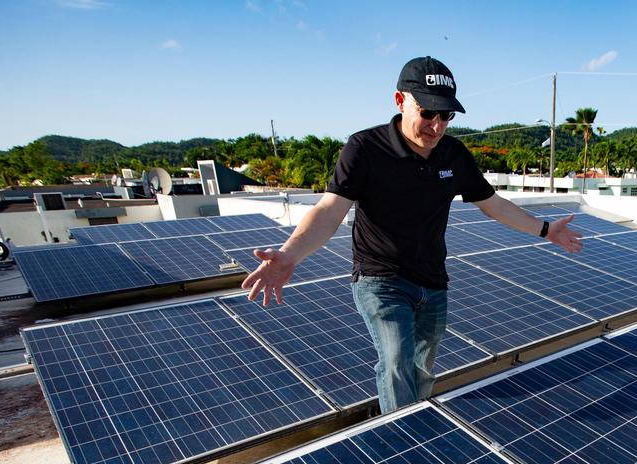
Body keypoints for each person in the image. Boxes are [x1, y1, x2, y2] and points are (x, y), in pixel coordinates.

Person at [243, 55, 583, 412]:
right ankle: (402, 438)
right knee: (396, 361)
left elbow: (493, 204)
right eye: (427, 113)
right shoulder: (364, 149)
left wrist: (545, 230)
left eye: (446, 116)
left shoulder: (453, 154)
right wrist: (290, 254)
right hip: (380, 277)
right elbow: (329, 210)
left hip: (433, 279)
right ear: (400, 101)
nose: (436, 126)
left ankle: (414, 414)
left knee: (422, 366)